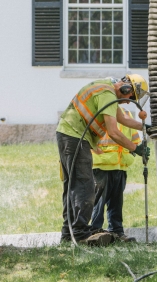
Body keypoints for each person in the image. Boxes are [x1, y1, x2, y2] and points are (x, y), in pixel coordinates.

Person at [56, 75, 150, 246]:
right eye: (131, 97)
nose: (129, 102)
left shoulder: (107, 91)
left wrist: (145, 127)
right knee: (83, 185)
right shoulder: (107, 94)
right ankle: (80, 234)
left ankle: (68, 234)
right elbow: (113, 132)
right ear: (126, 89)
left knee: (73, 185)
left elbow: (123, 119)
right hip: (74, 136)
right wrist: (135, 148)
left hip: (71, 135)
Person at [89, 106, 141, 243]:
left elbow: (135, 139)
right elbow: (87, 137)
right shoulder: (99, 112)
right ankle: (94, 232)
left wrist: (134, 150)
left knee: (116, 203)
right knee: (98, 203)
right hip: (101, 165)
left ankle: (117, 232)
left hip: (120, 165)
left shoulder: (126, 114)